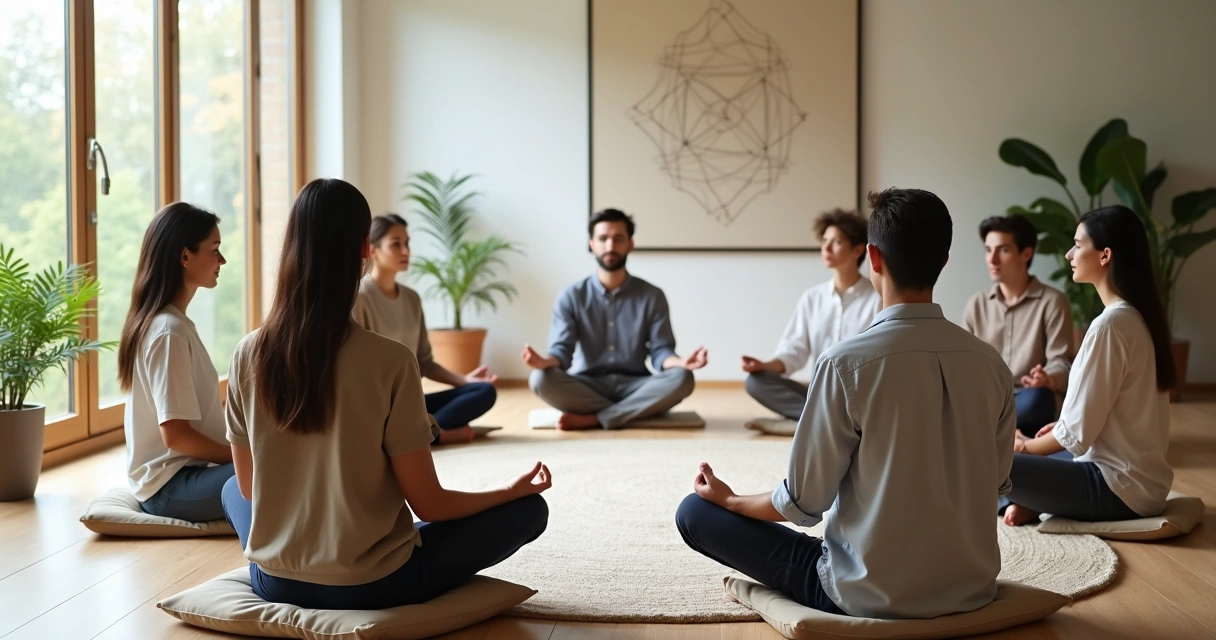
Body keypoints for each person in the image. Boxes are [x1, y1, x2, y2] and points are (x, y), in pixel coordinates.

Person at [675, 188, 1016, 619]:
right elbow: (999, 481)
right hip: (972, 588)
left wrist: (730, 500)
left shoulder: (843, 364)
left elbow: (803, 502)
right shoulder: (992, 364)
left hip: (864, 593)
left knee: (693, 512)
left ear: (872, 258)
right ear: (943, 262)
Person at [220, 178, 550, 610]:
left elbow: (248, 488)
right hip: (375, 583)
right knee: (530, 512)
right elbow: (429, 504)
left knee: (228, 488)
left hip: (274, 581)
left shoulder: (247, 353)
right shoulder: (392, 362)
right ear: (364, 249)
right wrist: (510, 491)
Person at [1003, 205, 1174, 527]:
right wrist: (1059, 427)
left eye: (1078, 245)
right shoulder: (1135, 317)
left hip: (1116, 489)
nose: (1070, 254)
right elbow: (1101, 415)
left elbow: (1075, 436)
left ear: (1104, 255)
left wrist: (1024, 446)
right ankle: (1032, 499)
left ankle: (1028, 498)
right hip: (1137, 482)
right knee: (1030, 453)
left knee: (987, 460)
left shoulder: (1110, 326)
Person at [524, 208, 707, 430]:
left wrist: (681, 362)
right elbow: (561, 351)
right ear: (592, 244)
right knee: (540, 379)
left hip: (637, 384)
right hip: (587, 385)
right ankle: (632, 411)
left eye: (618, 239)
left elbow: (661, 351)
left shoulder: (652, 295)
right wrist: (544, 362)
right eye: (603, 239)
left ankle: (596, 418)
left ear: (630, 244)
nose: (610, 246)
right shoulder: (571, 296)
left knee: (682, 378)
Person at [117, 203, 234, 522]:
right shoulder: (168, 331)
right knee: (278, 473)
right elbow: (177, 437)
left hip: (189, 474)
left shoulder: (173, 324)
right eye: (215, 249)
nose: (221, 260)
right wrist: (241, 456)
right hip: (169, 487)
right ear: (185, 256)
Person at [354, 213, 498, 445]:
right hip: (379, 406)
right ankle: (430, 437)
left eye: (407, 243)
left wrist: (464, 380)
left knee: (484, 392)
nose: (406, 251)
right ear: (373, 250)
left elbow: (424, 362)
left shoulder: (412, 299)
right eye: (396, 244)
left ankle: (422, 434)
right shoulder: (360, 297)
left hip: (410, 403)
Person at [742, 209, 880, 420]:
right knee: (755, 382)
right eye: (824, 240)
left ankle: (821, 420)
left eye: (837, 242)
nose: (826, 247)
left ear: (858, 250)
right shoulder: (812, 298)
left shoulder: (876, 299)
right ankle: (826, 421)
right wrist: (764, 365)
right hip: (819, 393)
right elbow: (793, 351)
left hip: (859, 395)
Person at [963, 214, 1073, 437]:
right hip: (987, 399)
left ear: (1026, 253)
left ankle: (982, 429)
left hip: (1029, 398)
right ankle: (1002, 430)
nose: (992, 260)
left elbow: (1061, 361)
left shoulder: (1053, 301)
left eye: (1002, 250)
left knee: (1038, 400)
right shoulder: (977, 304)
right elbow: (964, 364)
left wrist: (1048, 378)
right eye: (988, 250)